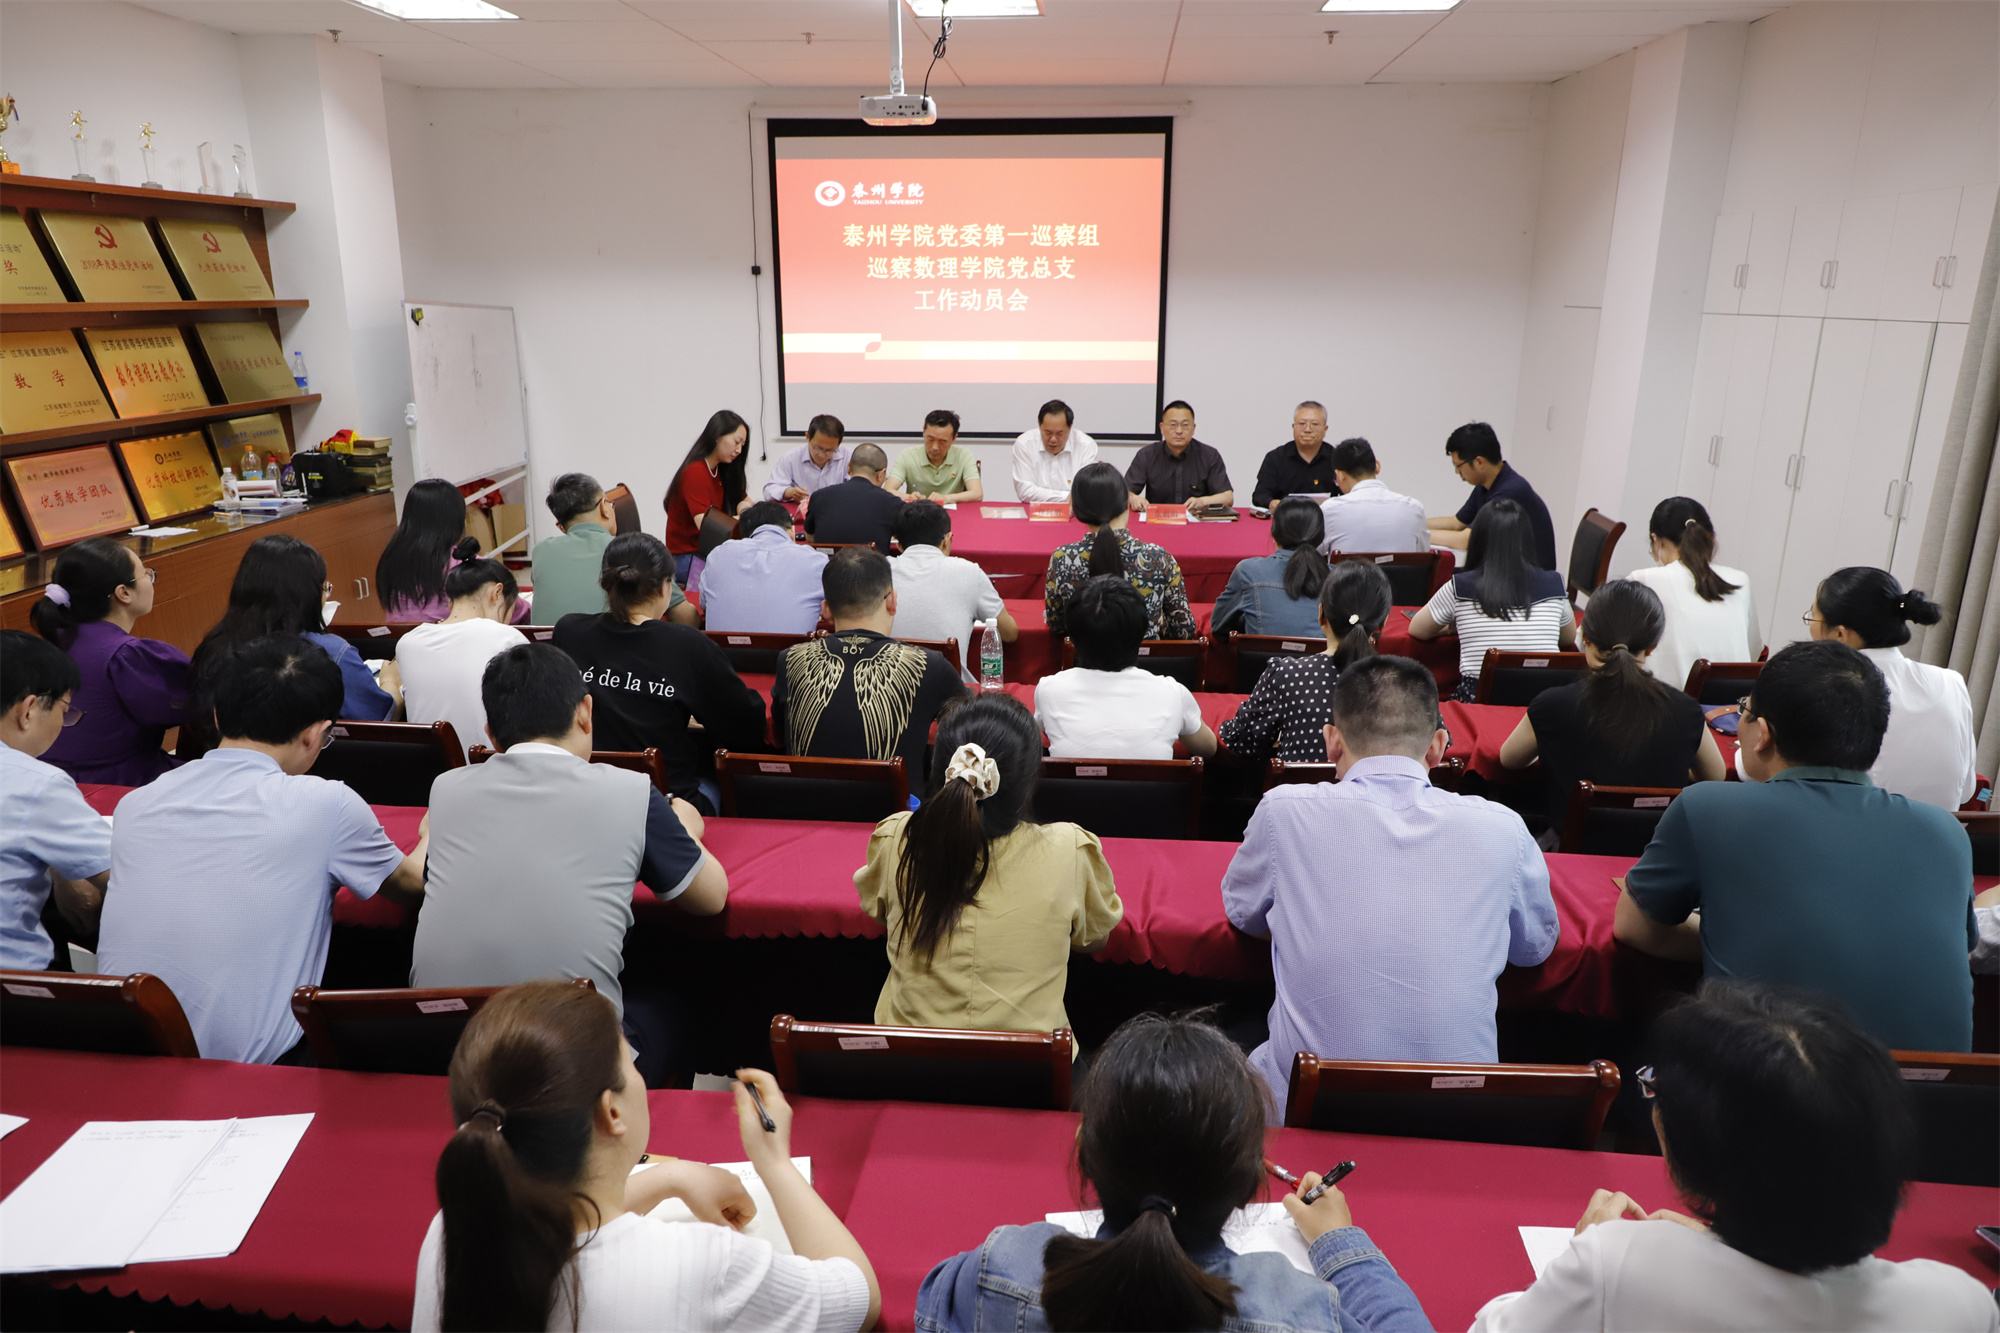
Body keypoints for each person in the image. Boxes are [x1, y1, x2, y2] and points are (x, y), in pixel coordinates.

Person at [1470, 981, 1998, 1332]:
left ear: (1703, 1159)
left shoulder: (1618, 1264)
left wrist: (1576, 1262)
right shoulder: (1961, 1304)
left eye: (1659, 1091)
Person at [410, 980, 878, 1333]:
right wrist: (774, 1162)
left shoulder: (456, 1229)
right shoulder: (700, 1264)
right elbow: (859, 1297)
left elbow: (565, 1224)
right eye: (629, 1060)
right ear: (611, 1112)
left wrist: (666, 1178)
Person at [918, 1013, 1429, 1333]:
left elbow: (932, 1302)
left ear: (1086, 1159)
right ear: (1248, 1187)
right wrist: (1340, 1244)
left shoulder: (1002, 1268)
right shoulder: (1300, 1313)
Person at [1223, 655, 1558, 1107]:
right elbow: (1533, 947)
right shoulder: (1504, 828)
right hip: (1459, 1115)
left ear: (1332, 742)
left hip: (1309, 1109)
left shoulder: (1283, 812)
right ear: (1438, 747)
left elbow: (1244, 914)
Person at [1615, 640, 1977, 1053]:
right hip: (1931, 1090)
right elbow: (1951, 950)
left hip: (1774, 1078)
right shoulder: (1946, 831)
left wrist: (1728, 933)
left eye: (1745, 709)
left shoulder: (1709, 807)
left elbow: (1634, 927)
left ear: (1762, 734)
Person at [98, 634, 428, 1063]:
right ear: (316, 735)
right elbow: (412, 886)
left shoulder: (136, 804)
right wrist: (431, 832)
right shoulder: (326, 804)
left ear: (218, 716)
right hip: (256, 1071)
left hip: (125, 1058)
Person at [412, 644, 726, 1087]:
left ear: (492, 734)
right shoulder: (632, 792)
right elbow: (711, 898)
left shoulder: (446, 789)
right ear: (585, 712)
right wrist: (687, 829)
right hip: (570, 1073)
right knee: (675, 1005)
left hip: (451, 1057)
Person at [853, 693, 1122, 1038]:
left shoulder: (898, 837)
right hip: (1031, 1066)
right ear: (1027, 783)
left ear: (940, 771)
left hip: (907, 1061)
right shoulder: (1069, 848)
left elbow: (879, 912)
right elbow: (1093, 940)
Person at [552, 533, 766, 814]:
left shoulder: (569, 632)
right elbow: (746, 727)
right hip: (667, 806)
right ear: (666, 588)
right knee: (719, 777)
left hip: (582, 796)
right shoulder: (688, 645)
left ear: (608, 583)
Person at [1499, 579, 1726, 829]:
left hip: (1572, 848)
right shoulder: (1686, 711)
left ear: (1586, 638)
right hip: (1658, 848)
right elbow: (1715, 776)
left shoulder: (1552, 705)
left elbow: (1510, 760)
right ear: (1652, 647)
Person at [183, 534, 398, 758]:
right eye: (324, 587)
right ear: (308, 594)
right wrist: (391, 681)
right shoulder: (326, 653)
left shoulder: (212, 648)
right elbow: (380, 725)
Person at [772, 548, 964, 775]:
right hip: (898, 799)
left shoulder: (790, 660)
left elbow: (780, 731)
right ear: (892, 601)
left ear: (826, 611)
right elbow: (971, 730)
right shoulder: (929, 665)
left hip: (804, 798)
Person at [1808, 567, 1975, 811]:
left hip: (1849, 829)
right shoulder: (1951, 682)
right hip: (1939, 832)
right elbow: (1967, 791)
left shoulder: (1825, 686)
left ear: (1841, 634)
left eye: (1812, 619)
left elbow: (1775, 776)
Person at [30, 537, 189, 786]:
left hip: (49, 781)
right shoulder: (125, 656)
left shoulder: (45, 645)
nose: (150, 579)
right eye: (145, 573)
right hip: (121, 784)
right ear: (123, 593)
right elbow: (197, 703)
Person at [0, 631, 108, 971]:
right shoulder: (35, 782)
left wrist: (62, 866)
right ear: (29, 710)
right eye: (65, 709)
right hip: (16, 985)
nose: (65, 721)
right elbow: (125, 875)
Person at [1219, 561, 1393, 764]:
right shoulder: (1403, 685)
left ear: (1321, 614)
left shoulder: (1287, 675)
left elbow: (1243, 742)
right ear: (1382, 624)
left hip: (1297, 786)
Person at [1410, 498, 1575, 701]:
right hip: (1542, 700)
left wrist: (1453, 627)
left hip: (1479, 700)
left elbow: (1417, 629)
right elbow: (1568, 638)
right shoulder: (1554, 584)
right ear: (1527, 539)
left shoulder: (1460, 587)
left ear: (1478, 539)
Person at [1035, 577, 1217, 761]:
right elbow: (1209, 749)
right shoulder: (1173, 693)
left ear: (1072, 639)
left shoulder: (1049, 690)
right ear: (1142, 635)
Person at [1044, 462, 1198, 642]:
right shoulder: (1159, 557)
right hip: (1144, 659)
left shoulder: (1062, 558)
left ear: (1077, 510)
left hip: (1083, 657)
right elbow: (1183, 631)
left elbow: (1057, 625)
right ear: (1126, 503)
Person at [395, 560, 530, 761]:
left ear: (451, 602)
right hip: (488, 765)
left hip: (427, 769)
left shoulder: (407, 643)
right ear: (496, 593)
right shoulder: (507, 638)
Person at [1626, 497, 1759, 690]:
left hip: (1664, 703)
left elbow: (1594, 641)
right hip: (1731, 705)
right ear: (1710, 537)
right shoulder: (1740, 581)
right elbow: (1754, 653)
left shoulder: (1643, 580)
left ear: (1656, 540)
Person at [532, 472, 696, 628]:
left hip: (546, 646)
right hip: (612, 646)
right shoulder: (629, 552)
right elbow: (686, 617)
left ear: (561, 527)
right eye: (611, 504)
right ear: (604, 507)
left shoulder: (541, 551)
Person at [888, 501, 1014, 686]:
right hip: (951, 694)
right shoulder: (968, 571)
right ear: (947, 540)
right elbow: (1009, 632)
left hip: (885, 690)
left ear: (898, 545)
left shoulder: (879, 570)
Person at [378, 478, 530, 625]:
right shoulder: (471, 568)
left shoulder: (390, 561)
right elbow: (521, 613)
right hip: (456, 640)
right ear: (458, 521)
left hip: (401, 640)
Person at [1426, 422, 1558, 569]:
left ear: (1479, 462)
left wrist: (1420, 534)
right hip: (1504, 572)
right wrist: (1416, 523)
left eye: (1458, 466)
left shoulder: (1511, 491)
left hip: (1525, 578)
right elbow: (1455, 523)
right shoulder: (1486, 485)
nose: (1457, 472)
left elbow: (1466, 540)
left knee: (1437, 575)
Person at [699, 502, 828, 635]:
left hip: (721, 648)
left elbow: (705, 604)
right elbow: (831, 611)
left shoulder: (719, 555)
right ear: (792, 531)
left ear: (744, 534)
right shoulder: (815, 561)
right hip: (794, 649)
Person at [1212, 497, 1330, 638]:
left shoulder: (1248, 572)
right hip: (1325, 653)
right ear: (1321, 536)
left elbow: (1218, 626)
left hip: (1260, 653)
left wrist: (1251, 619)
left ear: (1274, 534)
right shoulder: (1339, 577)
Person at [663, 409, 754, 585]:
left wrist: (742, 509)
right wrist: (742, 519)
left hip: (705, 552)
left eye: (742, 445)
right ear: (717, 436)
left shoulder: (720, 469)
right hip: (687, 558)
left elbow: (746, 499)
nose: (739, 450)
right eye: (736, 442)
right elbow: (707, 527)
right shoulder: (695, 472)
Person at [1318, 436, 1428, 554]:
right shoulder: (1414, 508)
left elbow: (1311, 555)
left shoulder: (1330, 510)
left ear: (1339, 475)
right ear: (1377, 466)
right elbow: (1423, 555)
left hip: (1350, 567)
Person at [1124, 400, 1233, 511]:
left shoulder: (1209, 455)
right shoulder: (1147, 455)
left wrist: (1202, 501)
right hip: (1157, 518)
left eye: (1185, 425)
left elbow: (1228, 498)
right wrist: (1134, 498)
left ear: (1193, 428)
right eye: (1173, 425)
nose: (1179, 431)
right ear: (1162, 428)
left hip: (1196, 519)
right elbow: (1123, 493)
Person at [803, 444, 905, 554]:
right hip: (872, 564)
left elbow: (810, 537)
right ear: (881, 475)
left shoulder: (819, 497)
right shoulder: (893, 504)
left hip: (829, 564)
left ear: (848, 467)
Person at [1250, 401, 1339, 508]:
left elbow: (1350, 494)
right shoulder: (1276, 458)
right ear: (1294, 427)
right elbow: (1260, 495)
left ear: (1325, 429)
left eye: (1314, 424)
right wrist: (1272, 503)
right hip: (1285, 517)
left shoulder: (1338, 459)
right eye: (1302, 424)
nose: (1307, 430)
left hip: (1327, 517)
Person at [1010, 399, 1098, 503]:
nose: (1053, 439)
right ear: (1039, 425)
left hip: (1074, 511)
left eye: (1060, 433)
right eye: (1048, 432)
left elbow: (1086, 492)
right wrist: (1069, 496)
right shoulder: (1025, 443)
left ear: (1070, 427)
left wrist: (1074, 497)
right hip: (1034, 511)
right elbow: (1024, 491)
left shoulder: (1086, 446)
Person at [888, 409, 983, 504]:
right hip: (918, 511)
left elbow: (977, 494)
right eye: (930, 439)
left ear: (954, 438)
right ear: (923, 432)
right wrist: (908, 497)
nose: (935, 447)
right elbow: (888, 490)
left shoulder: (964, 455)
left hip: (952, 511)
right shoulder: (907, 455)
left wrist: (946, 498)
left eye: (942, 441)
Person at [762, 414, 852, 502]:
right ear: (808, 437)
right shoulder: (790, 458)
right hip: (801, 509)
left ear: (840, 443)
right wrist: (789, 492)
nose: (822, 455)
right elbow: (769, 491)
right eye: (818, 448)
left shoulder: (849, 457)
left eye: (830, 450)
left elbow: (857, 489)